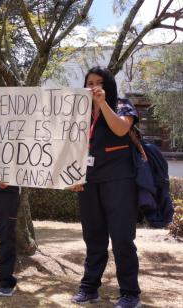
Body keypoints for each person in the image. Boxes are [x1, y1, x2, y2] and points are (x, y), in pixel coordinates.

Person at [70, 67, 141, 308]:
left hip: (119, 180)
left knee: (122, 239)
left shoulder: (122, 105)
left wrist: (103, 105)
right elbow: (71, 146)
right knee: (93, 238)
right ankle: (89, 288)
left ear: (108, 85)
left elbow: (121, 129)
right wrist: (75, 176)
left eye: (99, 82)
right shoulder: (80, 112)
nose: (93, 87)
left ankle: (130, 293)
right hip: (89, 181)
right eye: (89, 82)